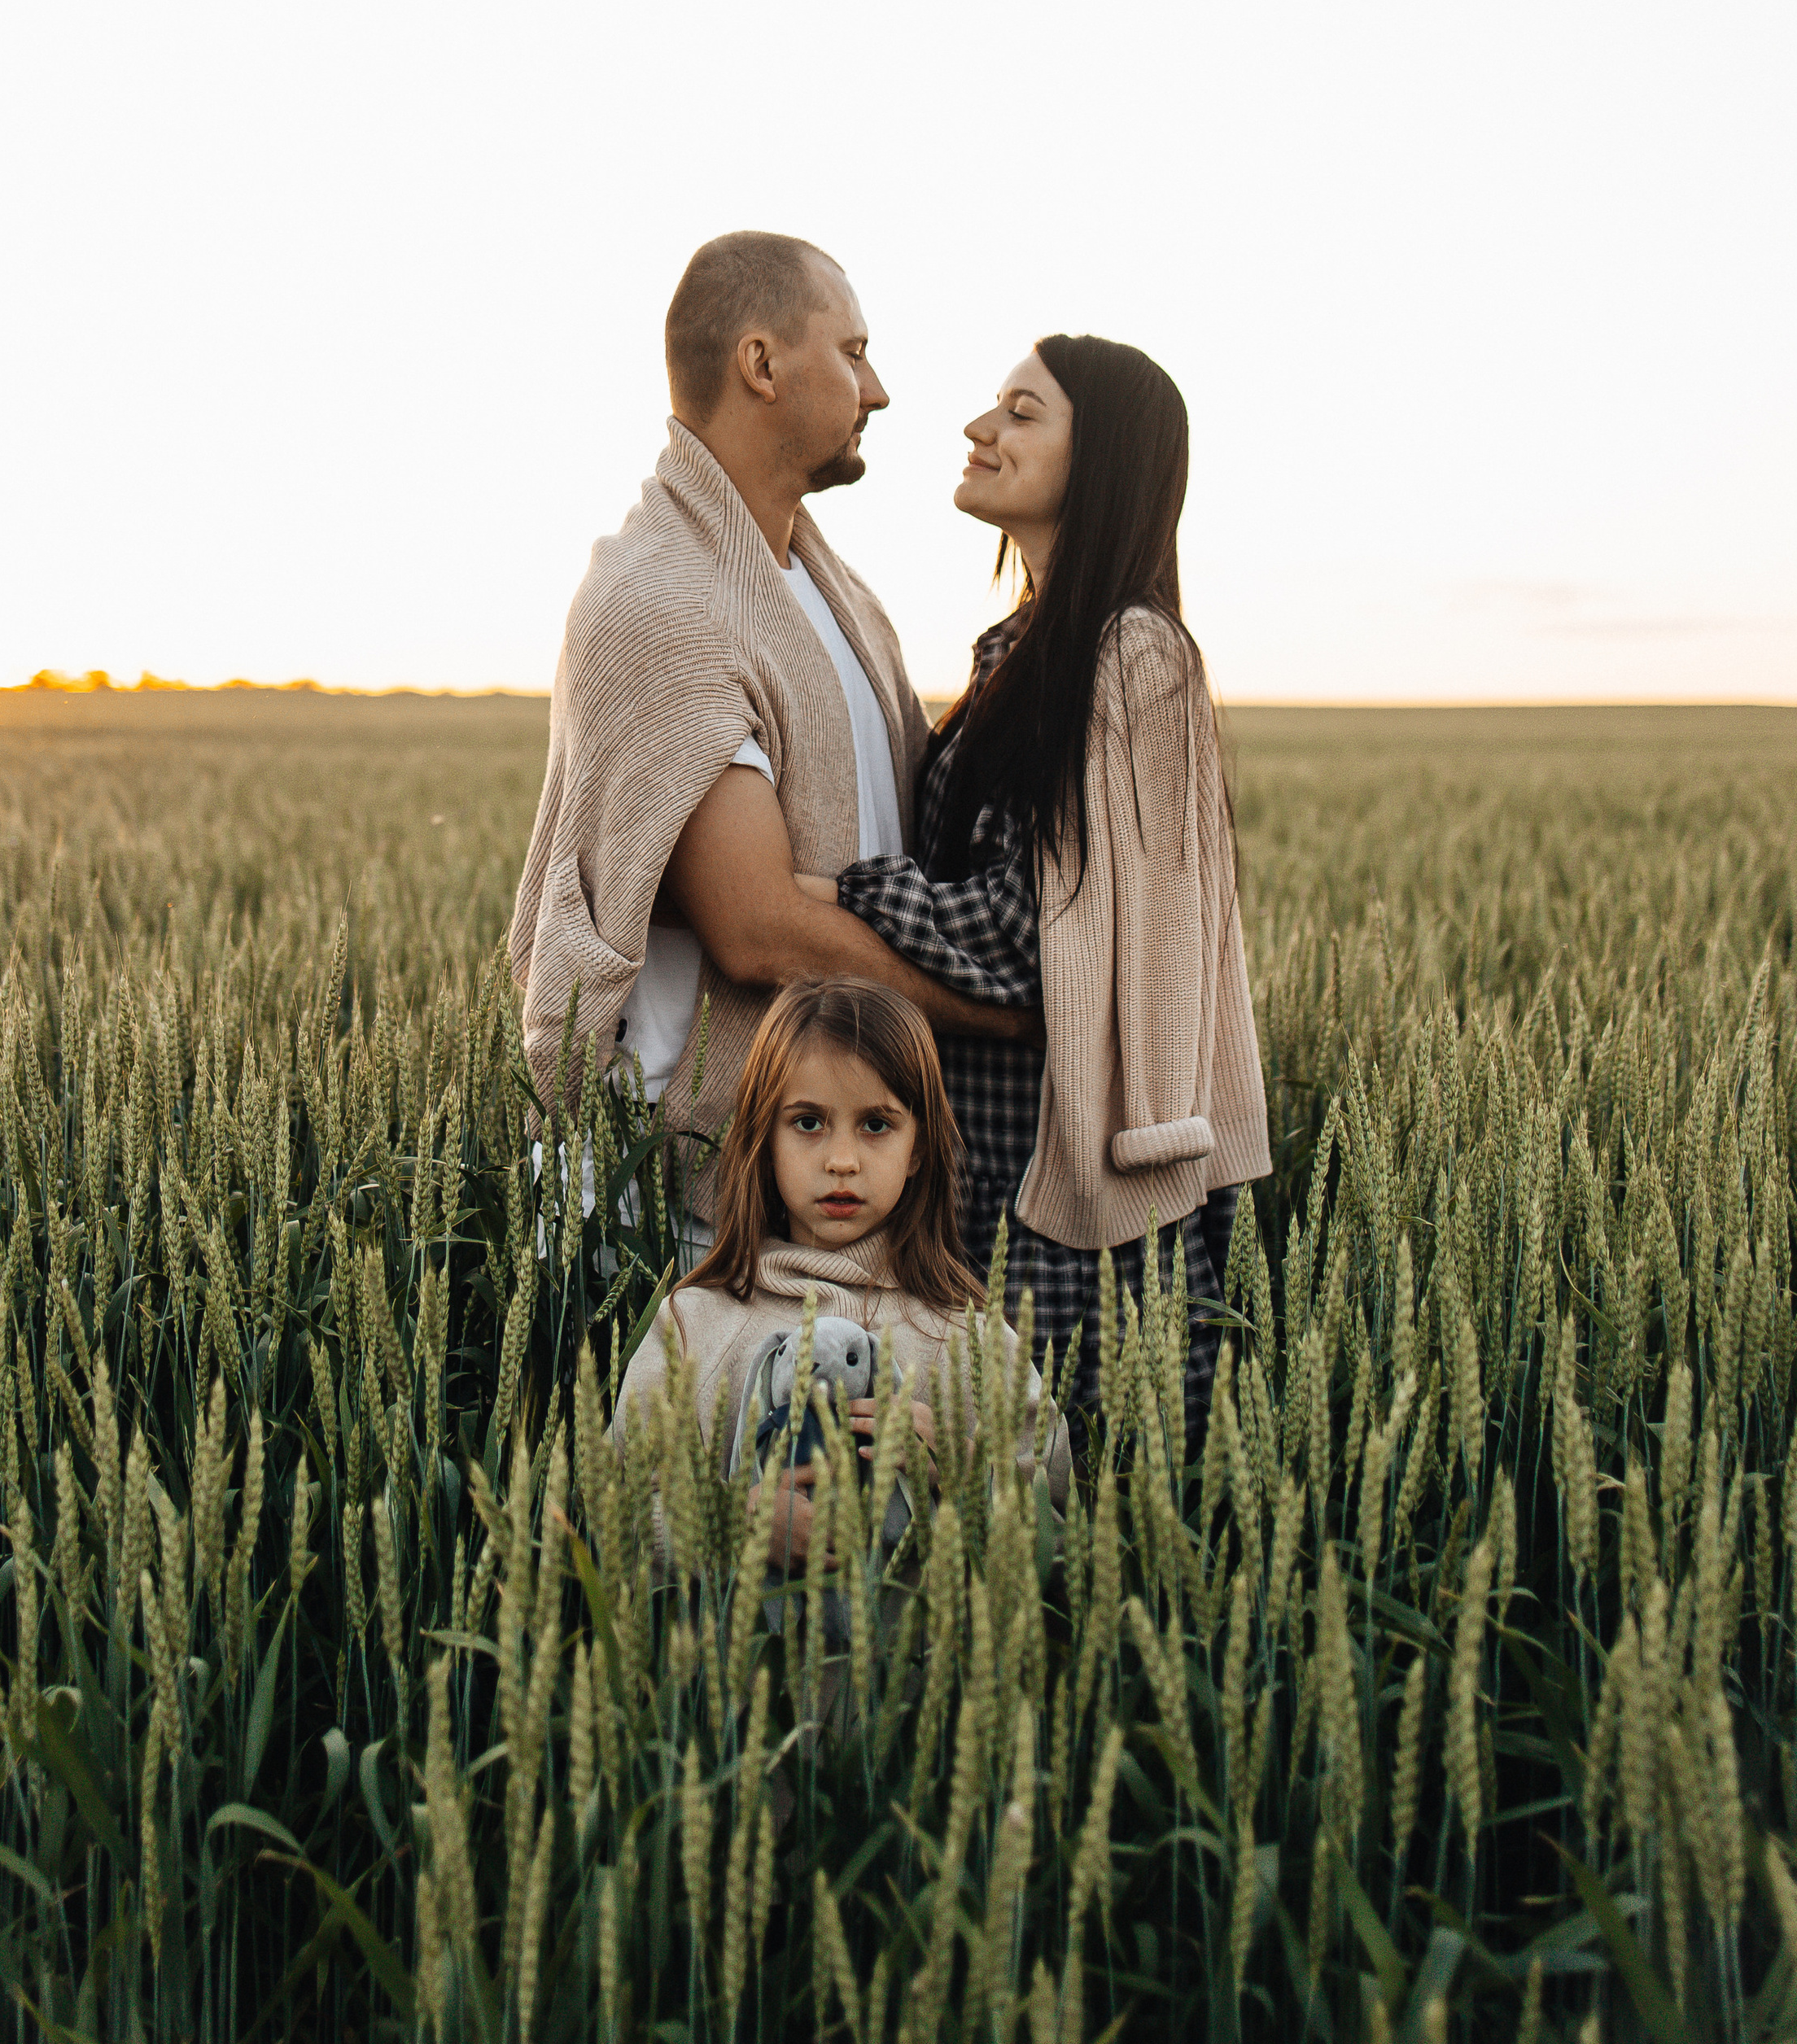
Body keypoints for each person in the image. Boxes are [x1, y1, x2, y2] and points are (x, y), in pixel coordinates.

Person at [509, 231, 1028, 1227]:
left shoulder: (830, 592)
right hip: (686, 1201)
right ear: (761, 364)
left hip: (831, 1174)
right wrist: (1000, 1018)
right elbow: (755, 930)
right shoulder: (662, 597)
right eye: (853, 352)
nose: (876, 390)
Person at [825, 335, 1270, 1446]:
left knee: (1059, 1504)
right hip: (986, 1169)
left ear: (1105, 460)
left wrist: (837, 890)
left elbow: (1041, 936)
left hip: (1068, 1197)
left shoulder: (1134, 656)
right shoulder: (1019, 650)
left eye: (1023, 412)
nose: (982, 429)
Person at [611, 976, 1069, 1564]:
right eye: (808, 1122)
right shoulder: (695, 1322)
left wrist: (961, 1467)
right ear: (765, 1140)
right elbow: (612, 1515)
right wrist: (729, 1524)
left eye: (877, 1125)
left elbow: (1060, 1542)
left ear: (920, 1150)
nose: (842, 1161)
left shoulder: (969, 1339)